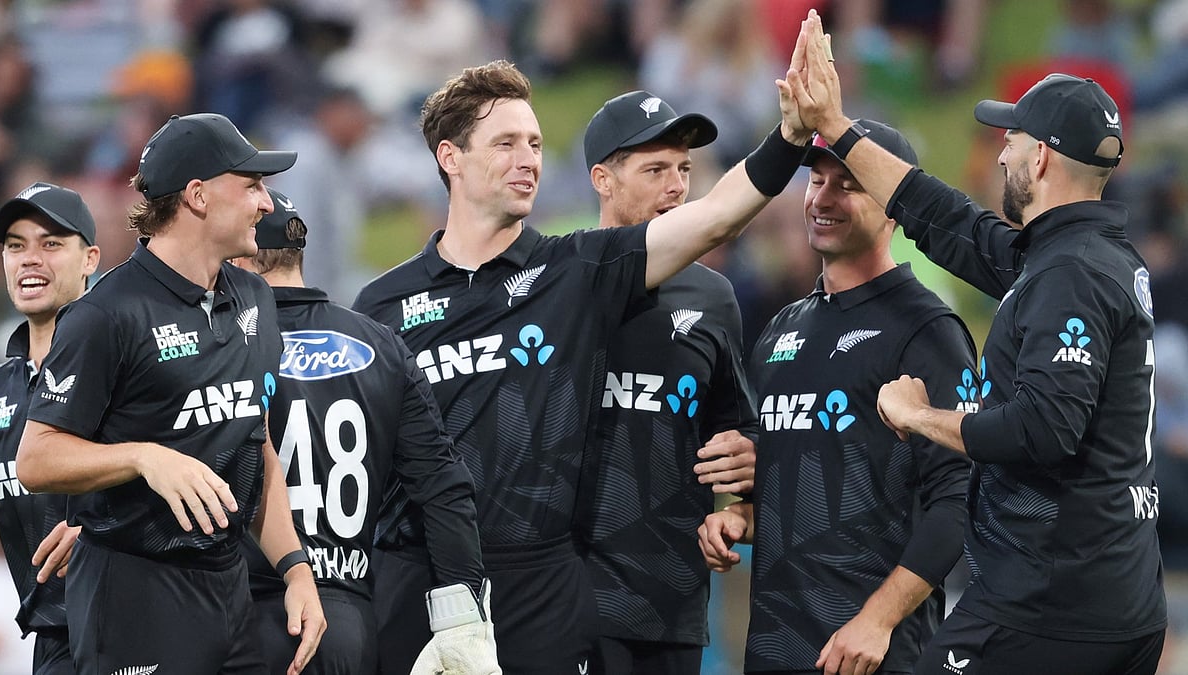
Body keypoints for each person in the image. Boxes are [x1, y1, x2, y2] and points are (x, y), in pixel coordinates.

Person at [352, 59, 811, 674]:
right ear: (450, 158)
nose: (529, 159)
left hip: (538, 590)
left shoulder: (572, 272)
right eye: (506, 143)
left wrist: (790, 137)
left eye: (536, 143)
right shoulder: (381, 304)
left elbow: (716, 217)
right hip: (419, 581)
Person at [791, 11, 1166, 674]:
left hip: (1052, 602)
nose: (999, 154)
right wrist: (840, 130)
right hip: (1113, 591)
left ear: (1042, 157)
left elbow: (1044, 429)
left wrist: (920, 416)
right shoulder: (1084, 255)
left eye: (1012, 141)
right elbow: (952, 222)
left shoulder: (1069, 272)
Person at [15, 113, 327, 675]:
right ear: (199, 196)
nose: (266, 203)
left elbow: (257, 447)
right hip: (135, 592)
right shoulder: (105, 315)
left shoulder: (255, 297)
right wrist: (143, 457)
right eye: (251, 185)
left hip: (231, 590)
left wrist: (295, 570)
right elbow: (36, 459)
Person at [698, 114, 977, 675]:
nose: (824, 198)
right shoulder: (781, 330)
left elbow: (958, 503)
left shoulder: (928, 331)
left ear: (894, 208)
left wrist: (877, 619)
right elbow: (814, 487)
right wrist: (742, 519)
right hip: (774, 649)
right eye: (817, 180)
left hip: (874, 653)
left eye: (848, 185)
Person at [231, 188, 495, 674]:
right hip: (348, 617)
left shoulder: (225, 344)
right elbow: (443, 486)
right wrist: (464, 619)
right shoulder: (382, 344)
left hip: (248, 611)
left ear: (242, 261)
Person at [579, 90, 759, 675]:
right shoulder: (561, 284)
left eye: (684, 169)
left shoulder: (714, 298)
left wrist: (744, 471)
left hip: (671, 601)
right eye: (655, 170)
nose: (677, 186)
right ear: (602, 180)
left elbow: (734, 429)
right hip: (565, 602)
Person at [0, 182, 100, 674]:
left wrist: (104, 530)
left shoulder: (128, 367)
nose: (29, 258)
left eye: (50, 243)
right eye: (16, 245)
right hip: (52, 641)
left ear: (90, 259)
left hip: (138, 627)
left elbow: (206, 469)